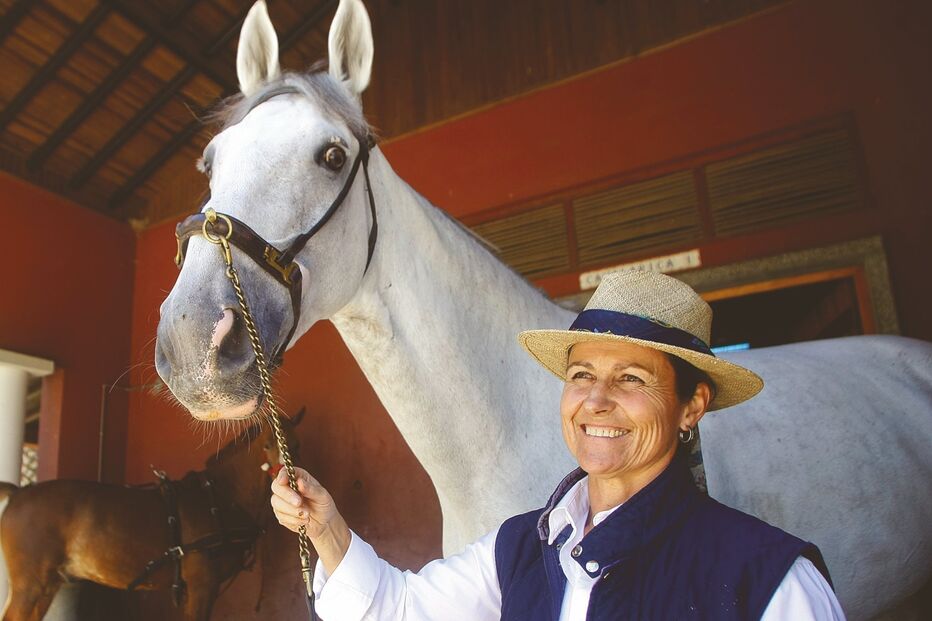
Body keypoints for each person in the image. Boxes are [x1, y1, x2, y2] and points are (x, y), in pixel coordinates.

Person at [271, 270, 846, 620]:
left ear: (691, 407)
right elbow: (399, 610)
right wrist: (327, 528)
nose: (595, 401)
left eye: (632, 379)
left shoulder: (768, 577)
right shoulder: (521, 546)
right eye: (581, 375)